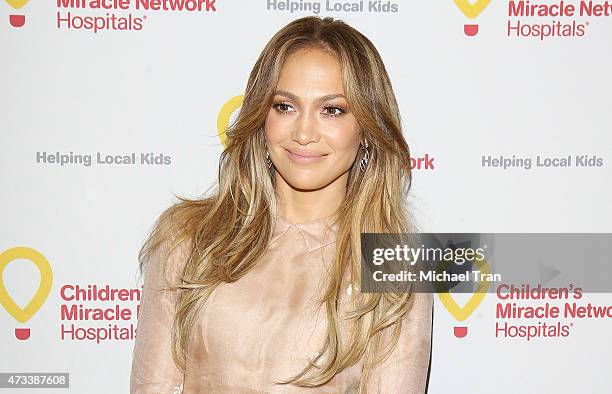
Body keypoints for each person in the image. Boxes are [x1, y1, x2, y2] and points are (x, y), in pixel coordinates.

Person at [130, 15, 433, 394]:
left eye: (333, 110)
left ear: (367, 131)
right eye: (285, 107)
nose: (304, 133)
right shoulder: (189, 238)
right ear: (261, 118)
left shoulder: (395, 265)